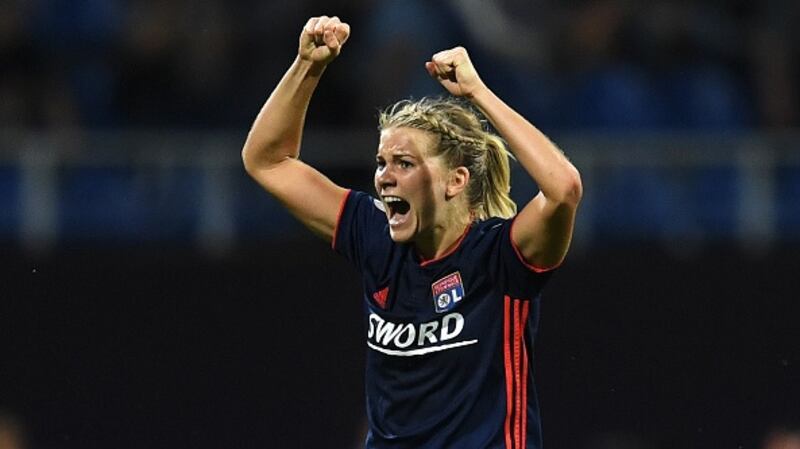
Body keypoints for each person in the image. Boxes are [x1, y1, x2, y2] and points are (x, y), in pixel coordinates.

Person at [242, 15, 582, 449]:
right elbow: (266, 160)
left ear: (455, 181)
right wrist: (308, 65)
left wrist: (478, 93)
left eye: (404, 163)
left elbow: (564, 188)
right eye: (382, 163)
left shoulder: (502, 255)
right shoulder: (375, 236)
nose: (384, 177)